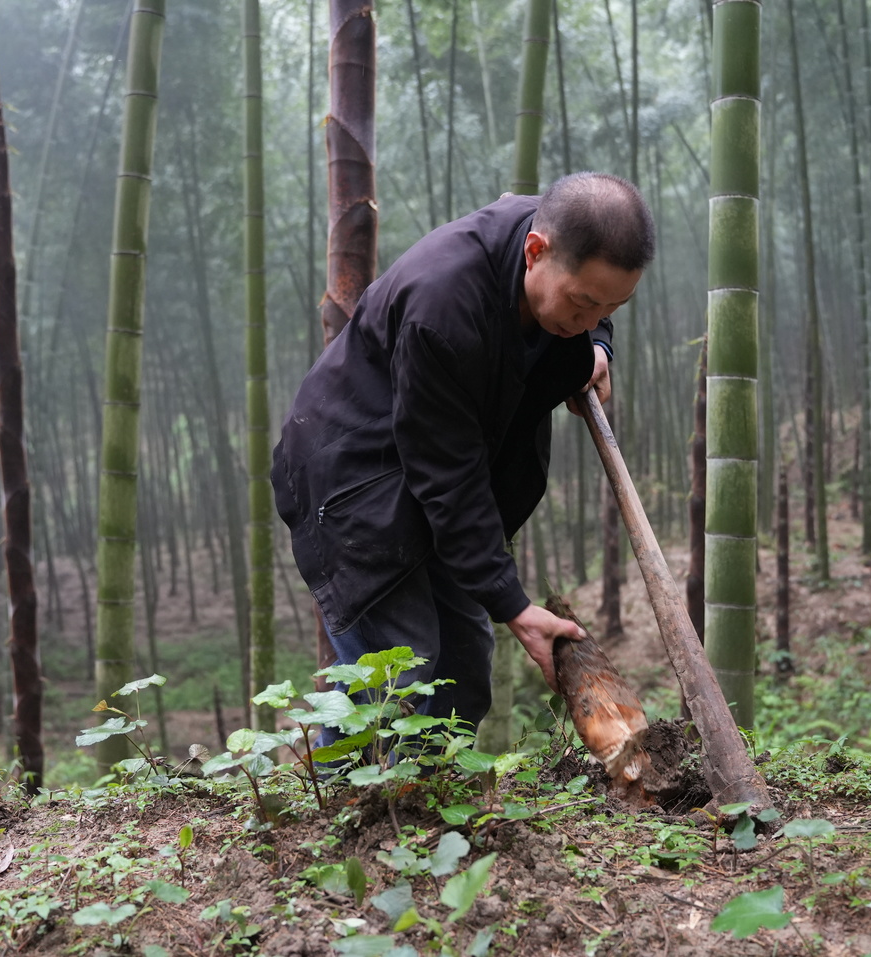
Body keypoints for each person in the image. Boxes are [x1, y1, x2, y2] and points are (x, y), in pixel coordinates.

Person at [272, 171, 654, 736]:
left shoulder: (572, 236)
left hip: (437, 465)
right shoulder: (442, 309)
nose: (591, 318)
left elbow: (592, 302)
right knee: (398, 671)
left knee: (463, 669)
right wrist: (516, 607)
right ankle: (349, 792)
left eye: (610, 306)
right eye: (583, 304)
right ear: (534, 251)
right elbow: (449, 478)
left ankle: (434, 789)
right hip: (353, 476)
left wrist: (596, 345)